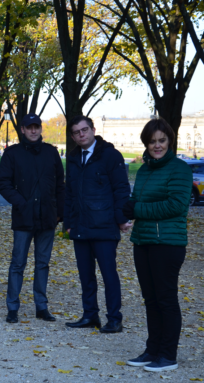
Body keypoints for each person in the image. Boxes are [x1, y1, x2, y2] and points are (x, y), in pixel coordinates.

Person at [122, 118, 192, 372]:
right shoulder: (144, 170)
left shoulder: (179, 169)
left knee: (166, 299)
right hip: (143, 240)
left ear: (170, 141)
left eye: (161, 140)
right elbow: (134, 200)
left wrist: (137, 209)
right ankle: (152, 350)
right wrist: (126, 211)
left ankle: (168, 355)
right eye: (152, 142)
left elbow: (176, 205)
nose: (157, 145)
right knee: (150, 299)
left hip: (168, 243)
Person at [63, 116, 131, 333]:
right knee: (85, 275)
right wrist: (68, 225)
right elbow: (69, 194)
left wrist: (121, 218)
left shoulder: (110, 156)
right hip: (81, 226)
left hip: (104, 226)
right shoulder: (73, 158)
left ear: (93, 130)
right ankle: (90, 315)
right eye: (76, 132)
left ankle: (114, 319)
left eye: (84, 130)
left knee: (109, 274)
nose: (81, 135)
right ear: (73, 136)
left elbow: (121, 189)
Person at [0, 113, 65, 323]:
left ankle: (41, 306)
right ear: (23, 130)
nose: (34, 130)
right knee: (18, 263)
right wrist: (21, 202)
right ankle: (12, 307)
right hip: (24, 218)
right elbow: (3, 183)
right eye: (29, 127)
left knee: (42, 263)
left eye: (37, 127)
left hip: (47, 218)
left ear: (40, 129)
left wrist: (59, 212)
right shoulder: (12, 154)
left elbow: (60, 185)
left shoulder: (51, 153)